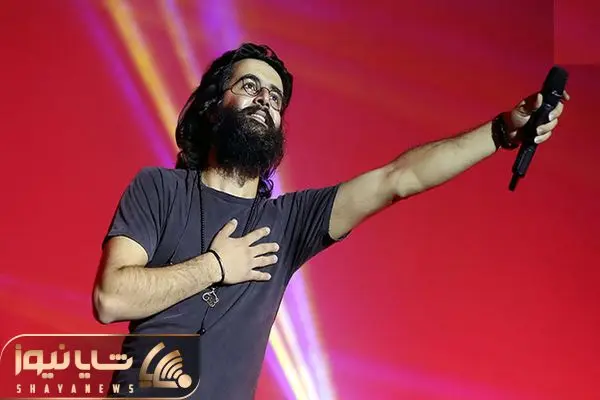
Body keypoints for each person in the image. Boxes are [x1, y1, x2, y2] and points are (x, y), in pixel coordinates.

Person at [93, 43, 569, 399]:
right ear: (213, 106)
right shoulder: (159, 189)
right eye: (250, 87)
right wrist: (215, 266)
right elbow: (111, 298)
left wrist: (501, 131)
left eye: (275, 98)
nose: (264, 101)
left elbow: (397, 179)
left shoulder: (287, 222)